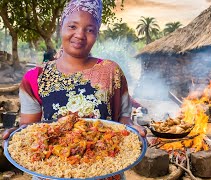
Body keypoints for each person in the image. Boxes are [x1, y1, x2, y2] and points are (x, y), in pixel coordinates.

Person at [2, 0, 146, 179]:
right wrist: (17, 134)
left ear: (96, 34)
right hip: (51, 170)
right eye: (72, 26)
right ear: (61, 25)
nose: (80, 34)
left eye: (90, 29)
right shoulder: (35, 77)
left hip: (105, 168)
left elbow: (123, 119)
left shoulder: (112, 72)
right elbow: (29, 129)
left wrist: (131, 127)